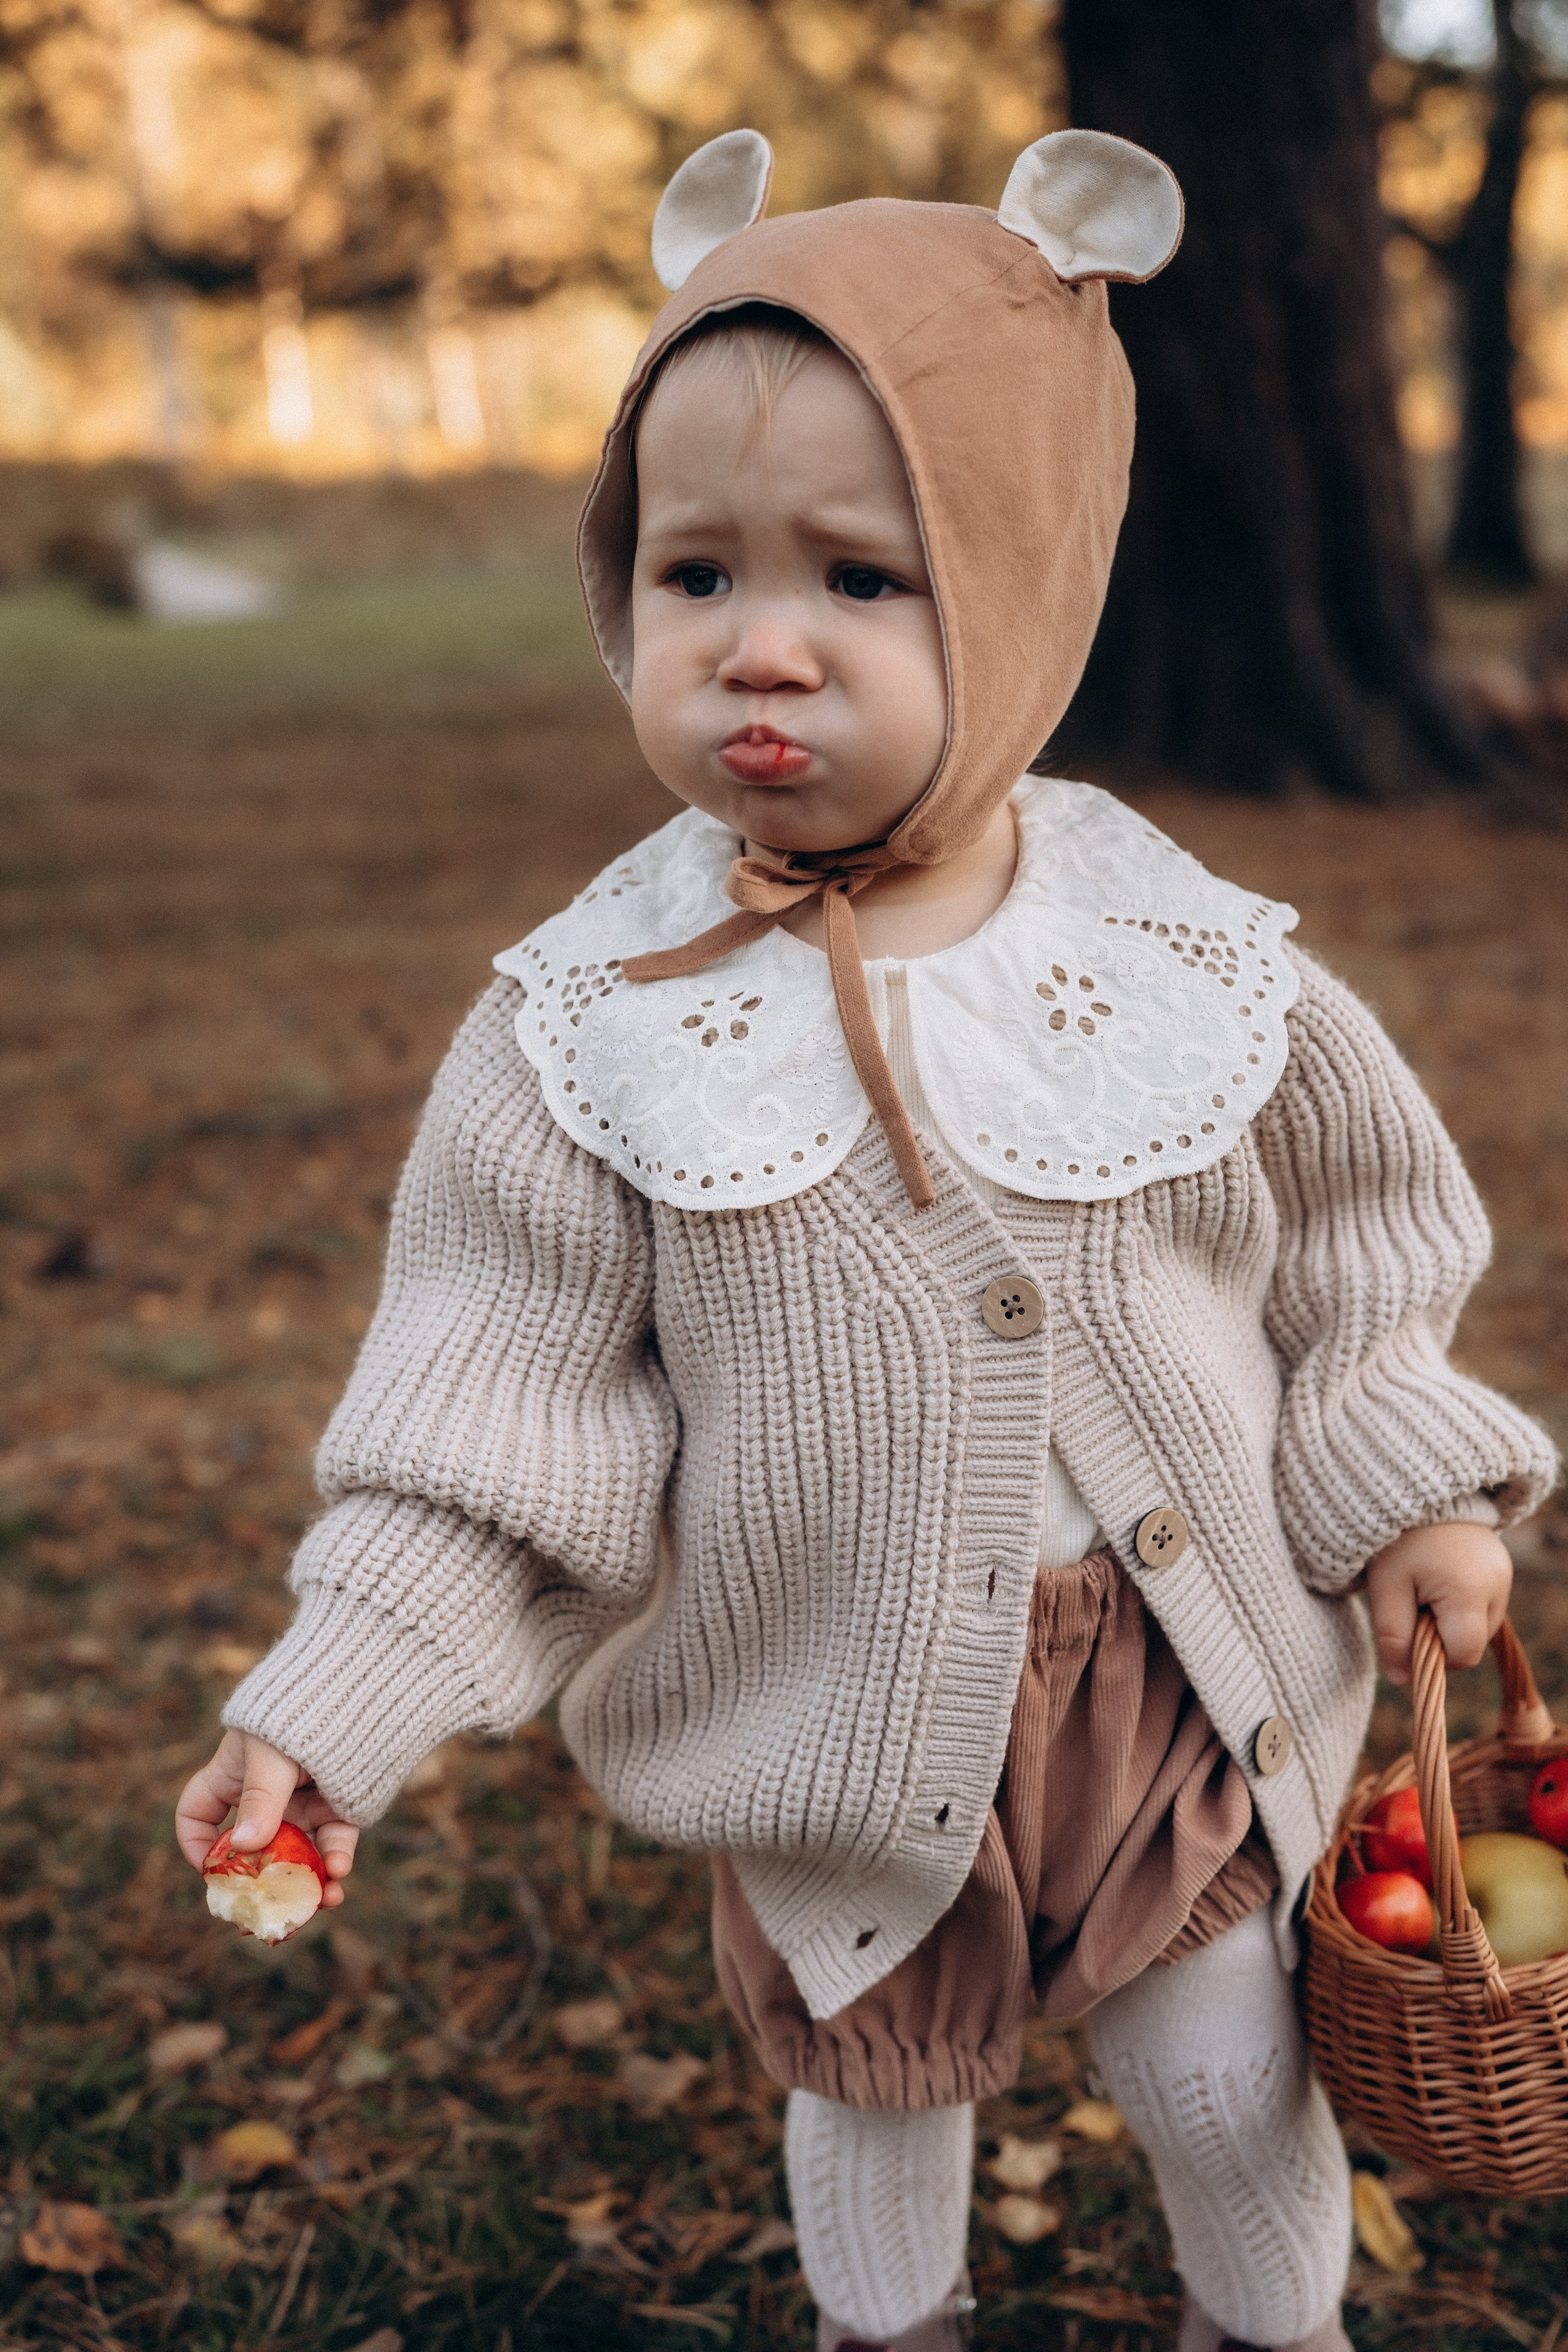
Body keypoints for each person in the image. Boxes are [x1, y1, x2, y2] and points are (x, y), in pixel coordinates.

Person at [176, 130, 1556, 2351]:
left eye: (864, 579)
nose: (763, 652)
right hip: (833, 1708)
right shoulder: (584, 1027)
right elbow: (492, 1425)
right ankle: (883, 2335)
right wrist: (331, 1712)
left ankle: (1273, 2333)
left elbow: (1352, 1260)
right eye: (694, 575)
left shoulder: (1186, 953)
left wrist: (1410, 1482)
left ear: (1022, 591)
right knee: (875, 2101)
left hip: (1181, 1690)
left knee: (1227, 2081)